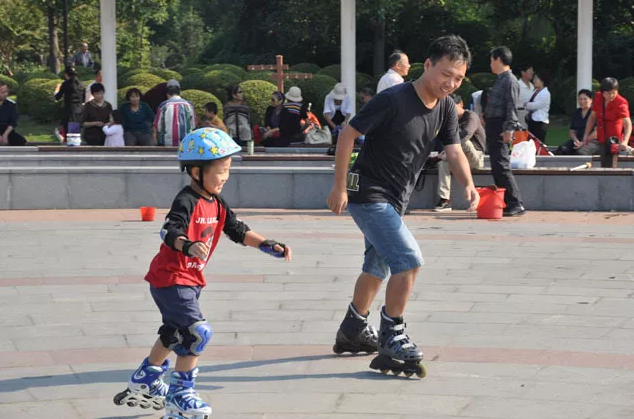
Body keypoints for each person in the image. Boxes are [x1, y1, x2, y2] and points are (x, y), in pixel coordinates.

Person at [326, 35, 479, 377]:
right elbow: (348, 133)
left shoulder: (445, 106)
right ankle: (392, 334)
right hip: (368, 194)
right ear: (427, 65)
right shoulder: (393, 99)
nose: (450, 83)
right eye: (446, 74)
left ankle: (353, 328)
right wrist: (339, 187)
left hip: (395, 200)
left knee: (377, 266)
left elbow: (453, 150)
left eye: (458, 78)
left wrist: (468, 184)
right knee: (408, 260)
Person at [113, 127, 292, 417]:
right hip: (171, 278)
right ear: (196, 171)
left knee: (173, 333)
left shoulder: (217, 203)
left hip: (187, 280)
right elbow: (169, 230)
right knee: (197, 333)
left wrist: (266, 244)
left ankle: (145, 379)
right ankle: (181, 396)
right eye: (220, 170)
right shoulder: (186, 200)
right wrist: (188, 245)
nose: (224, 177)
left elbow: (237, 230)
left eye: (227, 170)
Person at [484, 46, 526, 217]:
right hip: (494, 125)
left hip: (501, 127)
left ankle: (516, 203)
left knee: (502, 166)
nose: (491, 64)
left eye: (492, 60)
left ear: (499, 59)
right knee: (497, 166)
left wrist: (509, 129)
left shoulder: (509, 80)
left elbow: (511, 107)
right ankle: (509, 202)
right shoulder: (501, 79)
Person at [435, 93, 486, 212]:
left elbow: (466, 134)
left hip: (476, 158)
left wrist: (446, 152)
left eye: (452, 106)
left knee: (461, 142)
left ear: (461, 104)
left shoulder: (471, 116)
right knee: (443, 163)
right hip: (457, 159)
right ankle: (445, 200)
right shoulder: (448, 120)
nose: (449, 110)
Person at [582, 77, 632, 168]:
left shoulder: (621, 103)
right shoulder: (598, 97)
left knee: (611, 164)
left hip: (614, 138)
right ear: (602, 92)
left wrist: (625, 141)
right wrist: (586, 135)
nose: (611, 95)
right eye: (608, 93)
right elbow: (592, 117)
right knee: (604, 163)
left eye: (614, 92)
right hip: (602, 135)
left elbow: (628, 123)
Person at [154, 79, 197, 147]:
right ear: (180, 93)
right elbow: (193, 125)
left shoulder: (163, 106)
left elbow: (158, 127)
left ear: (167, 94)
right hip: (186, 143)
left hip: (167, 144)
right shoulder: (189, 105)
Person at [555, 89, 597, 155]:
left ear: (591, 100)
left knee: (581, 153)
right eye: (580, 99)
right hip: (578, 140)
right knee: (562, 149)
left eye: (585, 99)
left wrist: (583, 142)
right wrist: (575, 140)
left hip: (592, 141)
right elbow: (572, 130)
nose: (582, 101)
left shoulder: (594, 113)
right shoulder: (576, 112)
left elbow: (596, 132)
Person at [55, 66, 85, 141]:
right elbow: (83, 99)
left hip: (69, 113)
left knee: (69, 138)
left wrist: (57, 89)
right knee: (75, 137)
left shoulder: (65, 84)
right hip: (79, 113)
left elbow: (57, 97)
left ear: (66, 74)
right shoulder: (81, 85)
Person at [524, 70, 551, 143]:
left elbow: (535, 105)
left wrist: (526, 105)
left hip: (540, 122)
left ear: (542, 81)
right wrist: (528, 104)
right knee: (531, 143)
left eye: (536, 79)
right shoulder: (535, 91)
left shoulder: (545, 93)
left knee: (539, 143)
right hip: (532, 121)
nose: (534, 81)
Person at [0, 81, 27, 146]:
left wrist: (5, 135)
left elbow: (13, 122)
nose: (6, 94)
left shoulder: (12, 104)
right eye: (3, 92)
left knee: (21, 141)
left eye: (7, 91)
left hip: (6, 130)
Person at [516, 63, 534, 128]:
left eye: (532, 71)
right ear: (523, 73)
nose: (532, 73)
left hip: (532, 118)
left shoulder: (532, 85)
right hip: (520, 119)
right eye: (530, 71)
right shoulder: (517, 86)